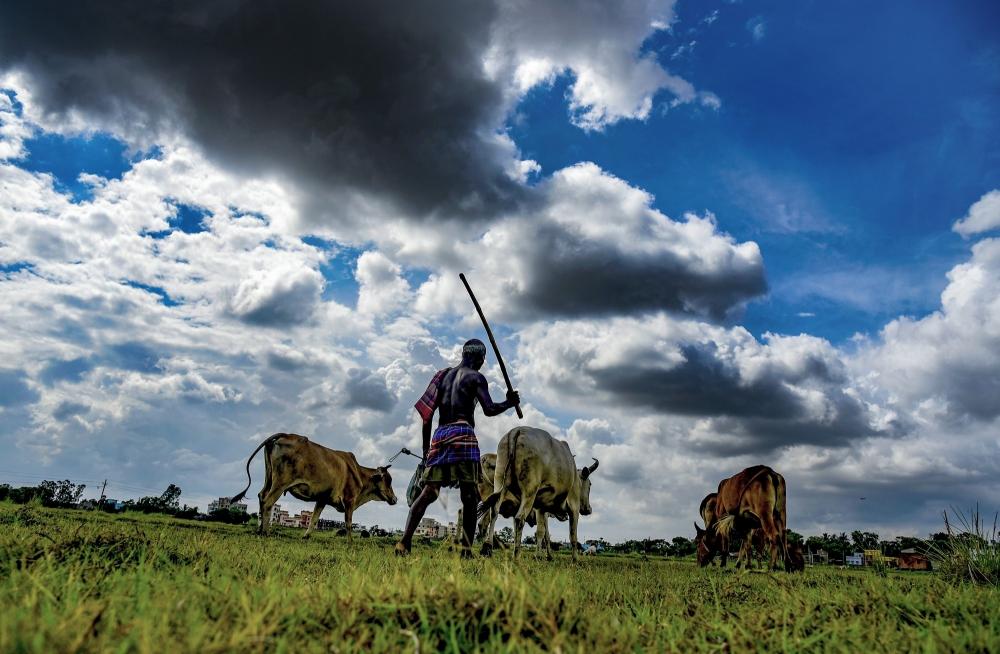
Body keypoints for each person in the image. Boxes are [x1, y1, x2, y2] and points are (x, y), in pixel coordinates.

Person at [395, 338, 520, 557]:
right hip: (463, 437)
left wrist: (427, 452)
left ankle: (404, 543)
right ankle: (465, 551)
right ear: (478, 358)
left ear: (463, 354)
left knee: (428, 492)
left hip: (441, 435)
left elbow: (426, 417)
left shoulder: (443, 377)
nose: (482, 364)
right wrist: (509, 403)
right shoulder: (476, 377)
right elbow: (489, 409)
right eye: (482, 360)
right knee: (470, 496)